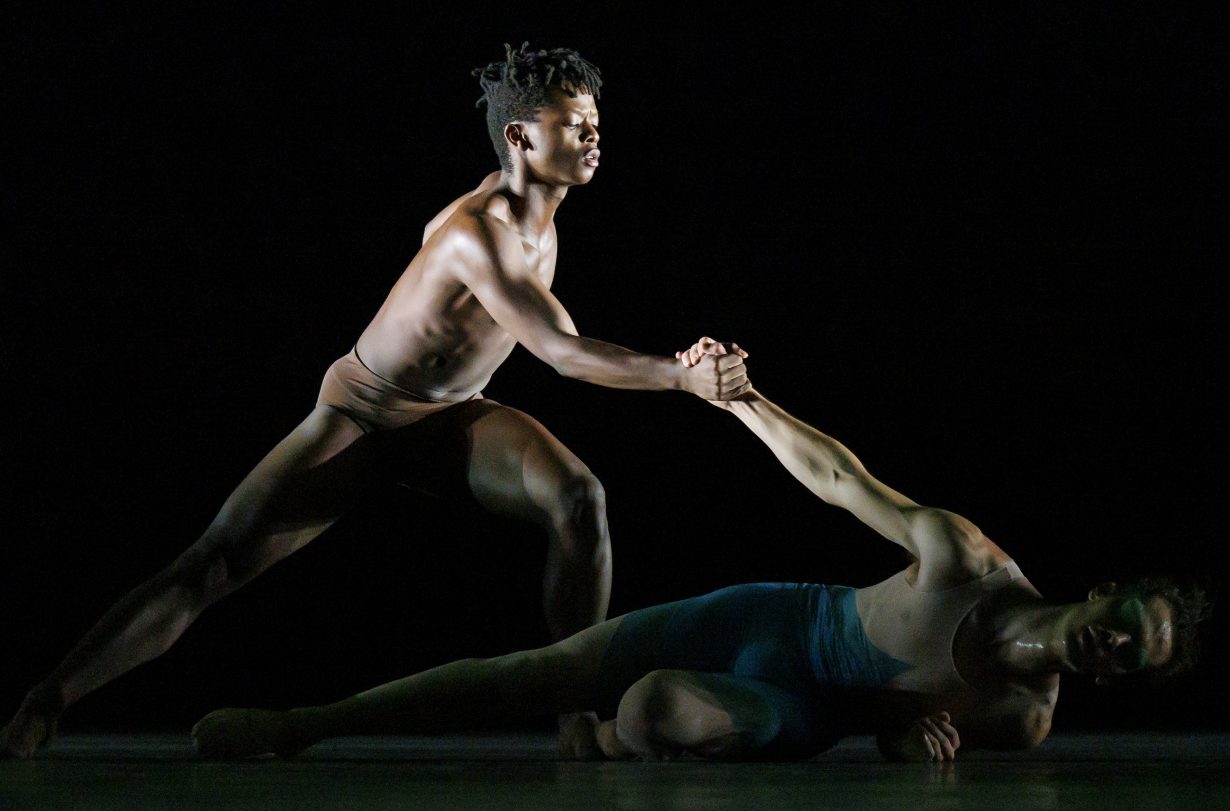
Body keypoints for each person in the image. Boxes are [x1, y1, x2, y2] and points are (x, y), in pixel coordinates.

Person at [0, 46, 751, 760]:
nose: (593, 135)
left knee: (579, 496)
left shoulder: (536, 216)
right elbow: (560, 351)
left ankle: (574, 713)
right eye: (572, 123)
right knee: (214, 561)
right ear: (520, 136)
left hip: (452, 416)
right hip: (362, 415)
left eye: (595, 119)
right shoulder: (478, 232)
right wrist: (681, 376)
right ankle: (48, 697)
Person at [191, 339, 1207, 762]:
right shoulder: (967, 558)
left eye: (1132, 664)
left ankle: (612, 736)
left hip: (801, 709)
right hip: (773, 617)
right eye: (1124, 629)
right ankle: (305, 721)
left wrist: (907, 746)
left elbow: (899, 746)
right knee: (536, 672)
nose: (1109, 653)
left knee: (653, 706)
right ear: (1104, 593)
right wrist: (744, 400)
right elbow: (840, 477)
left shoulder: (1021, 719)